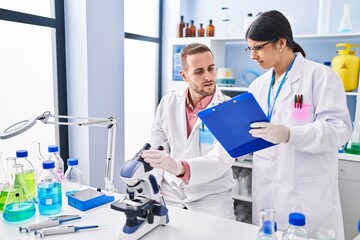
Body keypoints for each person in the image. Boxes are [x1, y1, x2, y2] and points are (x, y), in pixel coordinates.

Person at [245, 10, 351, 240]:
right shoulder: (257, 86)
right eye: (249, 48)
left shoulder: (321, 77)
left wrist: (289, 134)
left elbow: (339, 130)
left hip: (307, 196)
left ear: (281, 43)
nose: (253, 55)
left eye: (258, 47)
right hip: (267, 190)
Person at [141, 43, 235, 220]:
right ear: (184, 75)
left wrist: (179, 167)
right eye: (199, 72)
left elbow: (222, 160)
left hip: (212, 198)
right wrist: (151, 190)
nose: (208, 76)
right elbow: (157, 152)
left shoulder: (227, 107)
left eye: (211, 68)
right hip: (170, 194)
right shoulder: (168, 103)